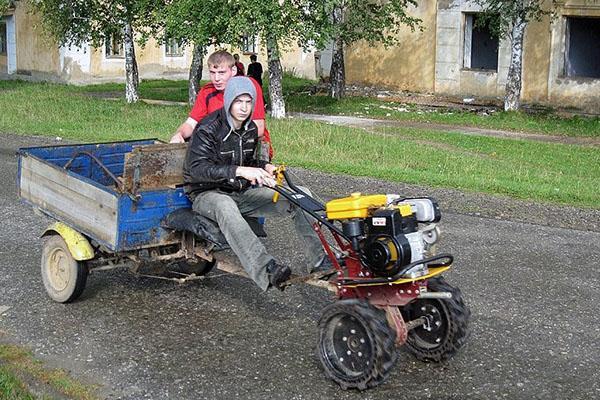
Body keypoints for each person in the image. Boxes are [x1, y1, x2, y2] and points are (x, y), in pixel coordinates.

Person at [183, 77, 328, 291]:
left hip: (239, 193)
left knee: (300, 195)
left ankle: (319, 261)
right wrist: (240, 171)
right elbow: (197, 170)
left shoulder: (249, 128)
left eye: (248, 102)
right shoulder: (208, 128)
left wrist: (265, 166)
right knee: (225, 205)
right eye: (238, 101)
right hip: (206, 194)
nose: (243, 108)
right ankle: (266, 269)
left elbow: (249, 161)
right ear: (229, 101)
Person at [170, 50, 272, 159]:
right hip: (218, 149)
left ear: (233, 70)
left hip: (251, 149)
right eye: (213, 73)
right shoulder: (206, 92)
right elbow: (191, 123)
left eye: (222, 73)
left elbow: (258, 129)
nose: (217, 79)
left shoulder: (248, 86)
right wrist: (179, 134)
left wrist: (211, 138)